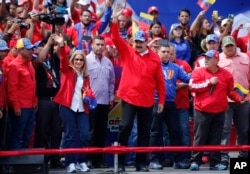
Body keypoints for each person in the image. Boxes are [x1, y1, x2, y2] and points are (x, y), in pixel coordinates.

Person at [110, 13, 166, 172]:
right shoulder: (127, 51)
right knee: (125, 128)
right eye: (136, 42)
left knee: (144, 133)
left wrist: (161, 100)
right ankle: (120, 163)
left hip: (147, 100)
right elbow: (115, 38)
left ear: (147, 42)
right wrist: (114, 22)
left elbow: (160, 82)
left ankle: (141, 164)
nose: (138, 44)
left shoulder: (155, 58)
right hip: (129, 97)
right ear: (133, 42)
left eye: (141, 42)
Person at [189, 49, 244, 171]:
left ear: (216, 60)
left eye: (209, 58)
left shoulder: (226, 74)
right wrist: (209, 82)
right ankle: (195, 161)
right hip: (202, 110)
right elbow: (192, 86)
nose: (206, 60)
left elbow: (230, 91)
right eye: (205, 58)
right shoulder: (198, 72)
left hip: (220, 111)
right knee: (200, 137)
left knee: (216, 137)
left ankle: (214, 162)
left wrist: (239, 98)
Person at [148, 41, 190, 170]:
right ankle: (153, 161)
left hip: (171, 103)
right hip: (156, 102)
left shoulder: (176, 67)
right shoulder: (152, 66)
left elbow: (188, 79)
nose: (166, 54)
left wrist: (201, 73)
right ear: (158, 52)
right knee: (155, 132)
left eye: (168, 52)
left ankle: (178, 160)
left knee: (175, 132)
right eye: (164, 52)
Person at [53, 35, 91, 173]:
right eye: (76, 59)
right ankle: (70, 162)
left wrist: (90, 96)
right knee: (70, 135)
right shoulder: (67, 71)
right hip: (67, 107)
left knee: (85, 135)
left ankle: (81, 161)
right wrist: (61, 45)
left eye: (81, 59)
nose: (79, 61)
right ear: (72, 60)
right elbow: (62, 59)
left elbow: (87, 92)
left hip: (82, 109)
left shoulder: (86, 76)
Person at [218, 36, 250, 168]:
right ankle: (223, 157)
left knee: (244, 128)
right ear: (222, 47)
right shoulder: (218, 59)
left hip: (244, 100)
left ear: (235, 45)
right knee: (224, 129)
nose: (230, 48)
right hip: (225, 100)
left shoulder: (246, 58)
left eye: (232, 45)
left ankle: (243, 156)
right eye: (227, 46)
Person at [33, 36, 63, 169]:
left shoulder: (53, 60)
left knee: (56, 132)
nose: (47, 48)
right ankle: (40, 159)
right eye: (43, 46)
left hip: (55, 100)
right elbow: (40, 59)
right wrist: (47, 44)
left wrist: (59, 44)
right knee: (42, 130)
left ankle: (55, 158)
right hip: (43, 101)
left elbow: (62, 56)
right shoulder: (35, 61)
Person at [86, 35, 115, 168]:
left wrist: (111, 97)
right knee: (91, 131)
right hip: (90, 102)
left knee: (101, 131)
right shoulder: (86, 60)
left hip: (104, 102)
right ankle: (90, 159)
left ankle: (100, 159)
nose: (99, 47)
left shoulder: (108, 62)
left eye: (102, 45)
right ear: (92, 45)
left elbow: (111, 81)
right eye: (97, 44)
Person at [7, 38, 37, 149]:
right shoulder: (14, 65)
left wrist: (35, 101)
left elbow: (32, 84)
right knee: (17, 135)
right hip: (21, 107)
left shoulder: (29, 64)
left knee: (27, 135)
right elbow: (12, 88)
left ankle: (24, 163)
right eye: (28, 49)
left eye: (31, 49)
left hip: (30, 106)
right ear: (20, 50)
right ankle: (15, 163)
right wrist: (16, 106)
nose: (31, 51)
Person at [0, 39, 9, 149]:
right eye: (1, 51)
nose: (3, 53)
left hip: (4, 107)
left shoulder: (2, 65)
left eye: (4, 51)